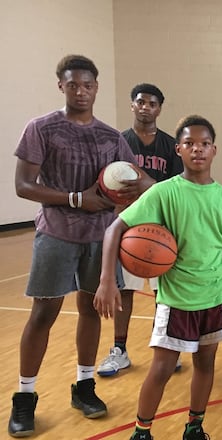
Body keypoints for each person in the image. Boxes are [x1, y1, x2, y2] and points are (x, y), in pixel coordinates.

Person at [8, 54, 140, 438]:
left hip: (102, 236)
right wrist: (77, 199)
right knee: (43, 314)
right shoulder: (42, 128)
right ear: (61, 86)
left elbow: (135, 180)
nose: (80, 91)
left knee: (91, 309)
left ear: (96, 87)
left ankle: (84, 386)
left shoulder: (111, 137)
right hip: (57, 233)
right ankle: (24, 396)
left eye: (87, 85)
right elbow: (23, 185)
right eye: (73, 84)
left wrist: (153, 191)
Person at [93, 115, 222, 440]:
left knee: (206, 365)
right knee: (162, 368)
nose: (197, 150)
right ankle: (141, 430)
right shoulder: (164, 192)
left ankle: (194, 426)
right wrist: (108, 279)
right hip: (176, 299)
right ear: (178, 149)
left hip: (214, 297)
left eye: (204, 144)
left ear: (214, 150)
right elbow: (114, 229)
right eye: (190, 143)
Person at [97, 82, 184, 377]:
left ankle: (165, 346)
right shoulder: (118, 142)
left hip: (161, 229)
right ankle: (119, 349)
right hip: (128, 226)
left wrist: (150, 185)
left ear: (160, 108)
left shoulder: (171, 146)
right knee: (127, 291)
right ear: (132, 105)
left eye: (152, 103)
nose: (146, 107)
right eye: (141, 102)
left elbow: (179, 189)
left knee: (164, 294)